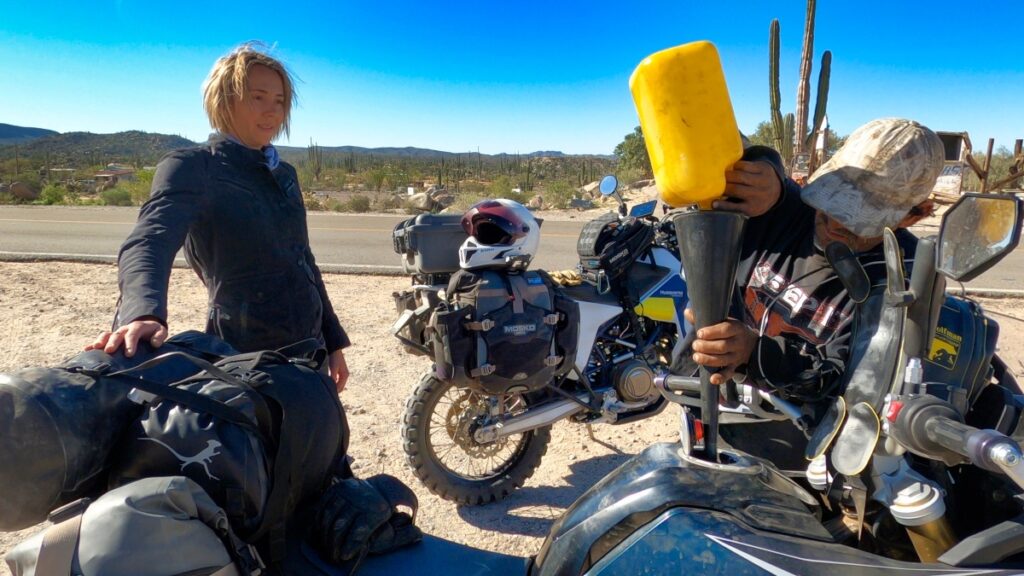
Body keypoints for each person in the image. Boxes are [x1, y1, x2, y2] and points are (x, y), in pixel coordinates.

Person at [87, 42, 351, 392]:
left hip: (309, 349)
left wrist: (333, 342)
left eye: (279, 100)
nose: (272, 111)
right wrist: (143, 313)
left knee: (318, 444)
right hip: (242, 353)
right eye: (258, 97)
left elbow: (302, 258)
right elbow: (150, 239)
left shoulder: (284, 174)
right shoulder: (194, 167)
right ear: (225, 99)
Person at [683, 118, 944, 460]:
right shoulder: (788, 211)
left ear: (915, 215)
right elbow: (738, 163)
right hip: (708, 407)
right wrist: (766, 169)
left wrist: (752, 351)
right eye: (835, 201)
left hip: (803, 450)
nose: (835, 223)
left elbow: (847, 382)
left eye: (859, 218)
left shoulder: (901, 283)